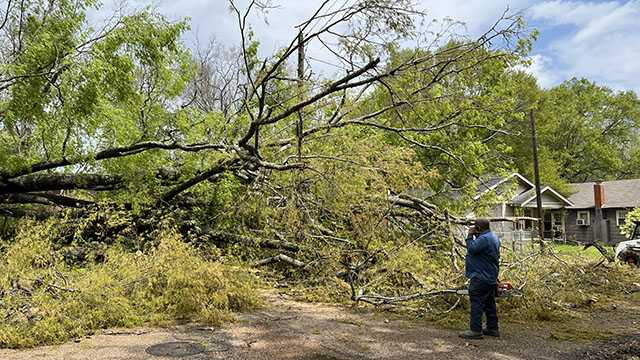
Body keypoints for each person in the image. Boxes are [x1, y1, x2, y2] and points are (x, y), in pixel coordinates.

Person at [459, 218, 500, 340]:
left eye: (475, 227)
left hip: (481, 276)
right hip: (490, 275)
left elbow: (472, 249)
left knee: (477, 302)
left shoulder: (484, 239)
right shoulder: (493, 237)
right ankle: (493, 328)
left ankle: (475, 330)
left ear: (479, 228)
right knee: (489, 303)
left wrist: (469, 236)